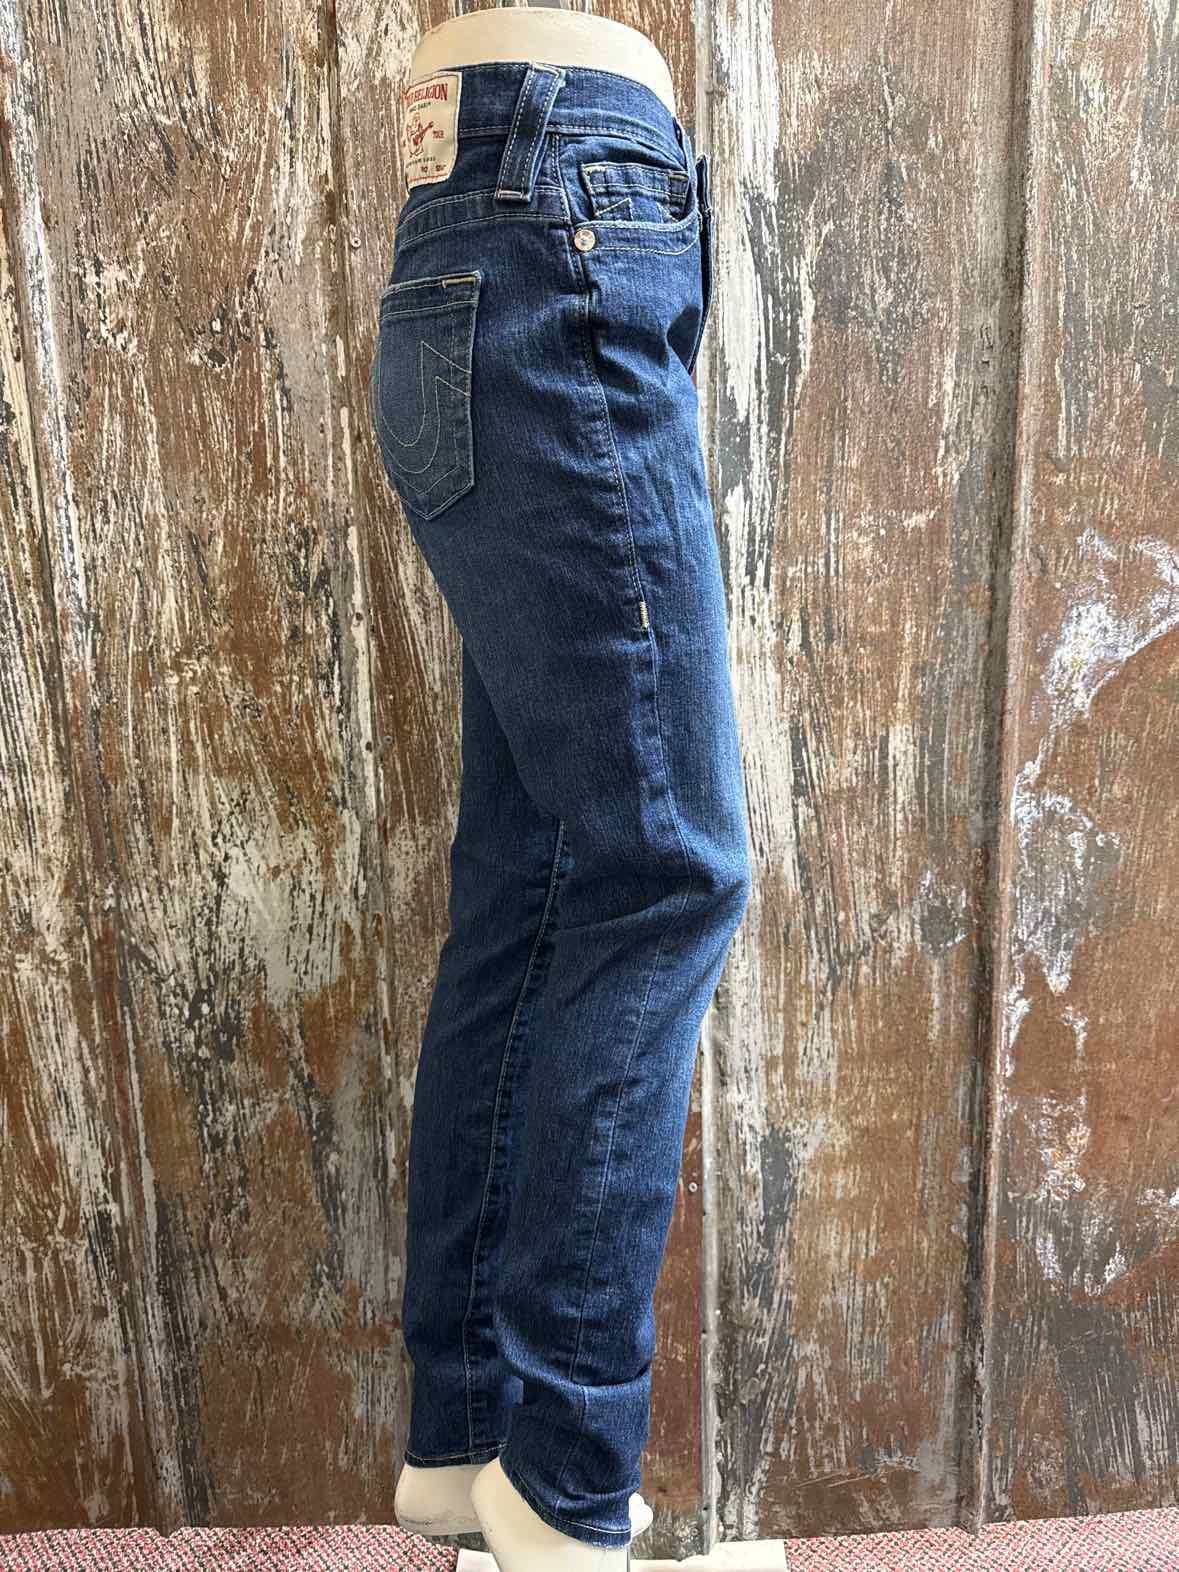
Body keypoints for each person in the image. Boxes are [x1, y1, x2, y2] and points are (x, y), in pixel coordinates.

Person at [369, 12, 753, 1569]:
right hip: (565, 220)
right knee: (669, 877)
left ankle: (470, 1440)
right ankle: (565, 1482)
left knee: (533, 887)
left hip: (493, 238)